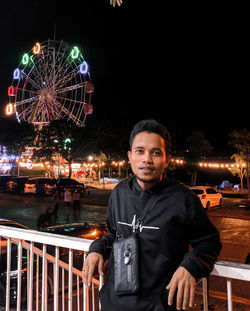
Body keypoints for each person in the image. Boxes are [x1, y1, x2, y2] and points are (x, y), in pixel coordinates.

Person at [82, 119, 222, 311]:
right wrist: (96, 249)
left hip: (160, 305)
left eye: (155, 153)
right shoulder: (119, 192)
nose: (147, 159)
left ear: (167, 159)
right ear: (130, 156)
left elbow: (209, 242)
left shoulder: (183, 199)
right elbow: (114, 234)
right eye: (140, 151)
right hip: (114, 302)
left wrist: (190, 267)